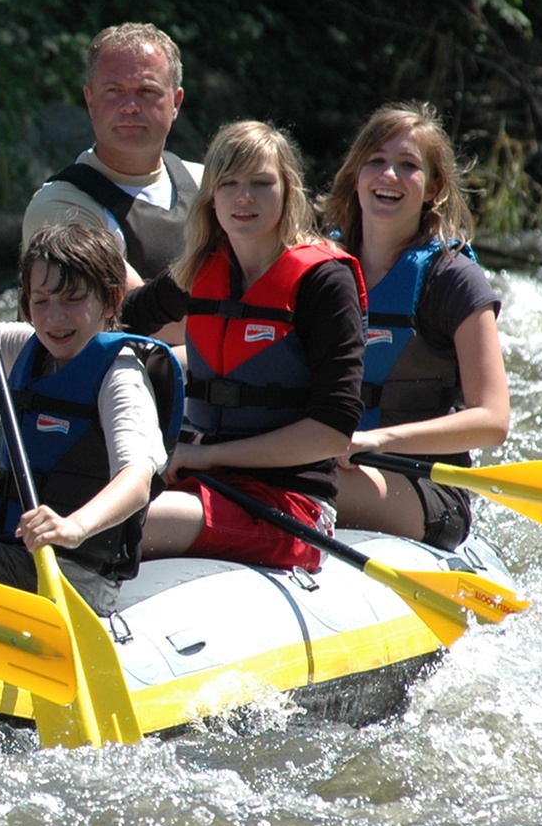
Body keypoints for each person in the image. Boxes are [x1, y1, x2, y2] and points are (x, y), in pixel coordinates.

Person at [0, 192, 174, 613]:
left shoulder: (119, 376)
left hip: (72, 574)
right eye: (41, 301)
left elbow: (137, 479)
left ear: (111, 301)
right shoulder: (21, 348)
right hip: (5, 549)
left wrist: (72, 527)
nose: (54, 317)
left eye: (72, 300)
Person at [121, 121, 367, 571]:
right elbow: (118, 320)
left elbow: (333, 431)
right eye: (229, 184)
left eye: (260, 183)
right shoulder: (199, 270)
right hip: (201, 484)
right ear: (211, 197)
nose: (243, 197)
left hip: (290, 507)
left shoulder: (325, 281)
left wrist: (206, 455)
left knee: (118, 523)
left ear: (288, 190)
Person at [322, 103, 510, 549]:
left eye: (407, 166)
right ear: (356, 175)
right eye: (376, 161)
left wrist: (376, 439)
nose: (388, 175)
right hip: (327, 462)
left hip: (423, 485)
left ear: (433, 188)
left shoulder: (452, 279)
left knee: (306, 479)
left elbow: (492, 420)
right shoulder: (319, 267)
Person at [23, 23, 203, 290]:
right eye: (114, 91)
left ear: (176, 102)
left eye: (147, 91)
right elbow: (137, 314)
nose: (130, 106)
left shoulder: (211, 183)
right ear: (90, 100)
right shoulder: (59, 208)